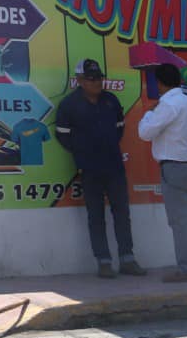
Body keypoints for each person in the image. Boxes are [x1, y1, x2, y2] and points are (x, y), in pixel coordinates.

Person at [53, 60, 145, 279]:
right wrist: (84, 153)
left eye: (99, 77)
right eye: (91, 78)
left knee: (122, 213)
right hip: (89, 169)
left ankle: (127, 259)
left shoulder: (111, 101)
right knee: (96, 216)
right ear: (80, 81)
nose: (97, 82)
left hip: (114, 166)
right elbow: (63, 136)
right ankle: (104, 262)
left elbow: (119, 129)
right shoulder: (69, 105)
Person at [137, 63, 187, 283]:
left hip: (174, 166)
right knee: (186, 218)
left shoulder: (167, 105)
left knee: (179, 221)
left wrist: (148, 113)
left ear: (159, 83)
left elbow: (145, 133)